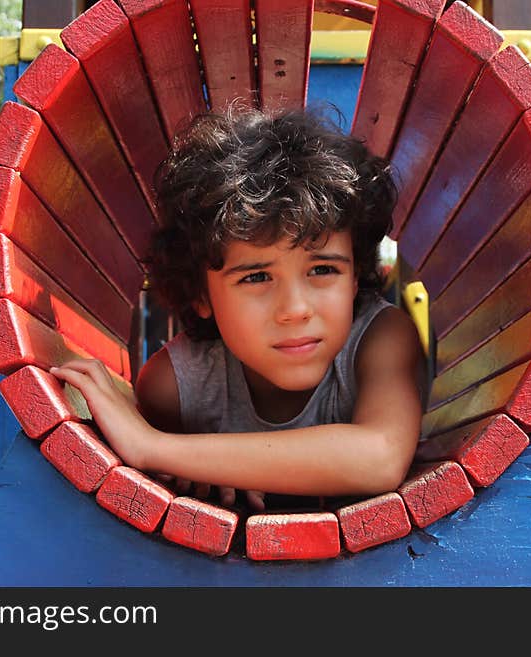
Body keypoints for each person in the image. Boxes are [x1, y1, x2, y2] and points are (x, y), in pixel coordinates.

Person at [50, 107, 429, 511]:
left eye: (322, 270)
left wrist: (155, 447)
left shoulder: (381, 338)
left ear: (355, 276)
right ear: (201, 293)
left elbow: (381, 456)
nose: (295, 309)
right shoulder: (175, 386)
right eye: (256, 277)